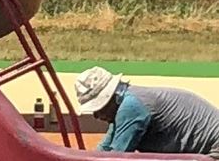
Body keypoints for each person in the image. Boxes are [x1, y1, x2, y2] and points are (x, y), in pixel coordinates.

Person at [74, 64, 219, 154]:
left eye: (99, 107)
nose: (96, 115)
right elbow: (104, 150)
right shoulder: (124, 105)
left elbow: (116, 158)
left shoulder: (131, 107)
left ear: (111, 97)